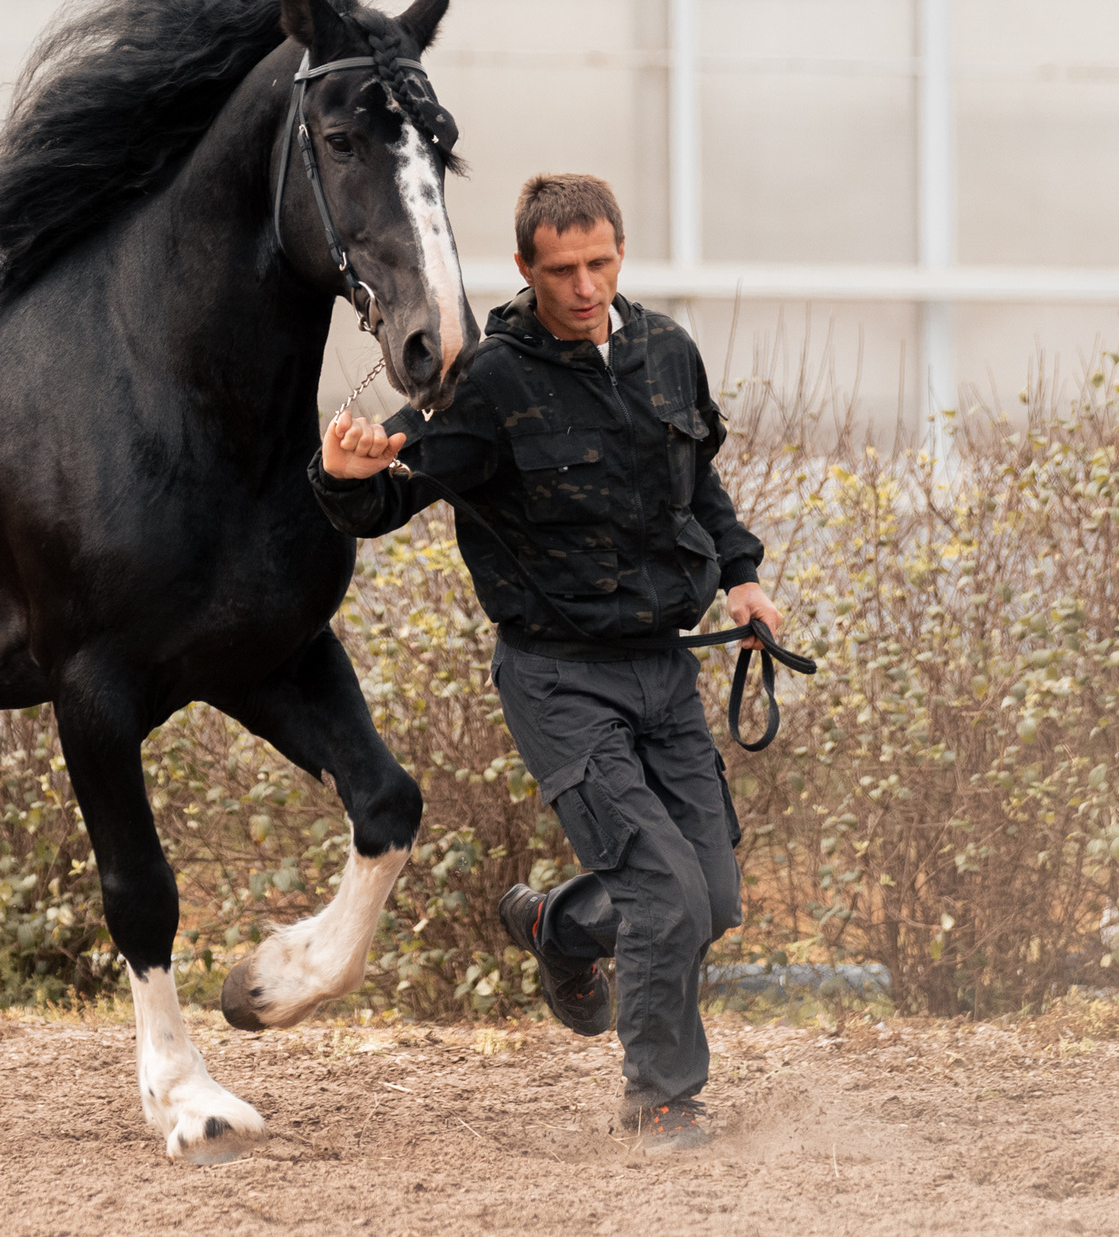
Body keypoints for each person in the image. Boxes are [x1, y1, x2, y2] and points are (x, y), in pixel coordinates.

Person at [308, 172, 776, 1153]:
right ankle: (660, 1099)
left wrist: (742, 579)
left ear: (618, 253)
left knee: (715, 894)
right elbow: (392, 485)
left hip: (664, 668)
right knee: (663, 890)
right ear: (523, 267)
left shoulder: (665, 352)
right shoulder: (489, 381)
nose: (583, 286)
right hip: (560, 680)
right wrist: (343, 475)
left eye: (599, 262)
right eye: (560, 268)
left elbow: (704, 488)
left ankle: (559, 926)